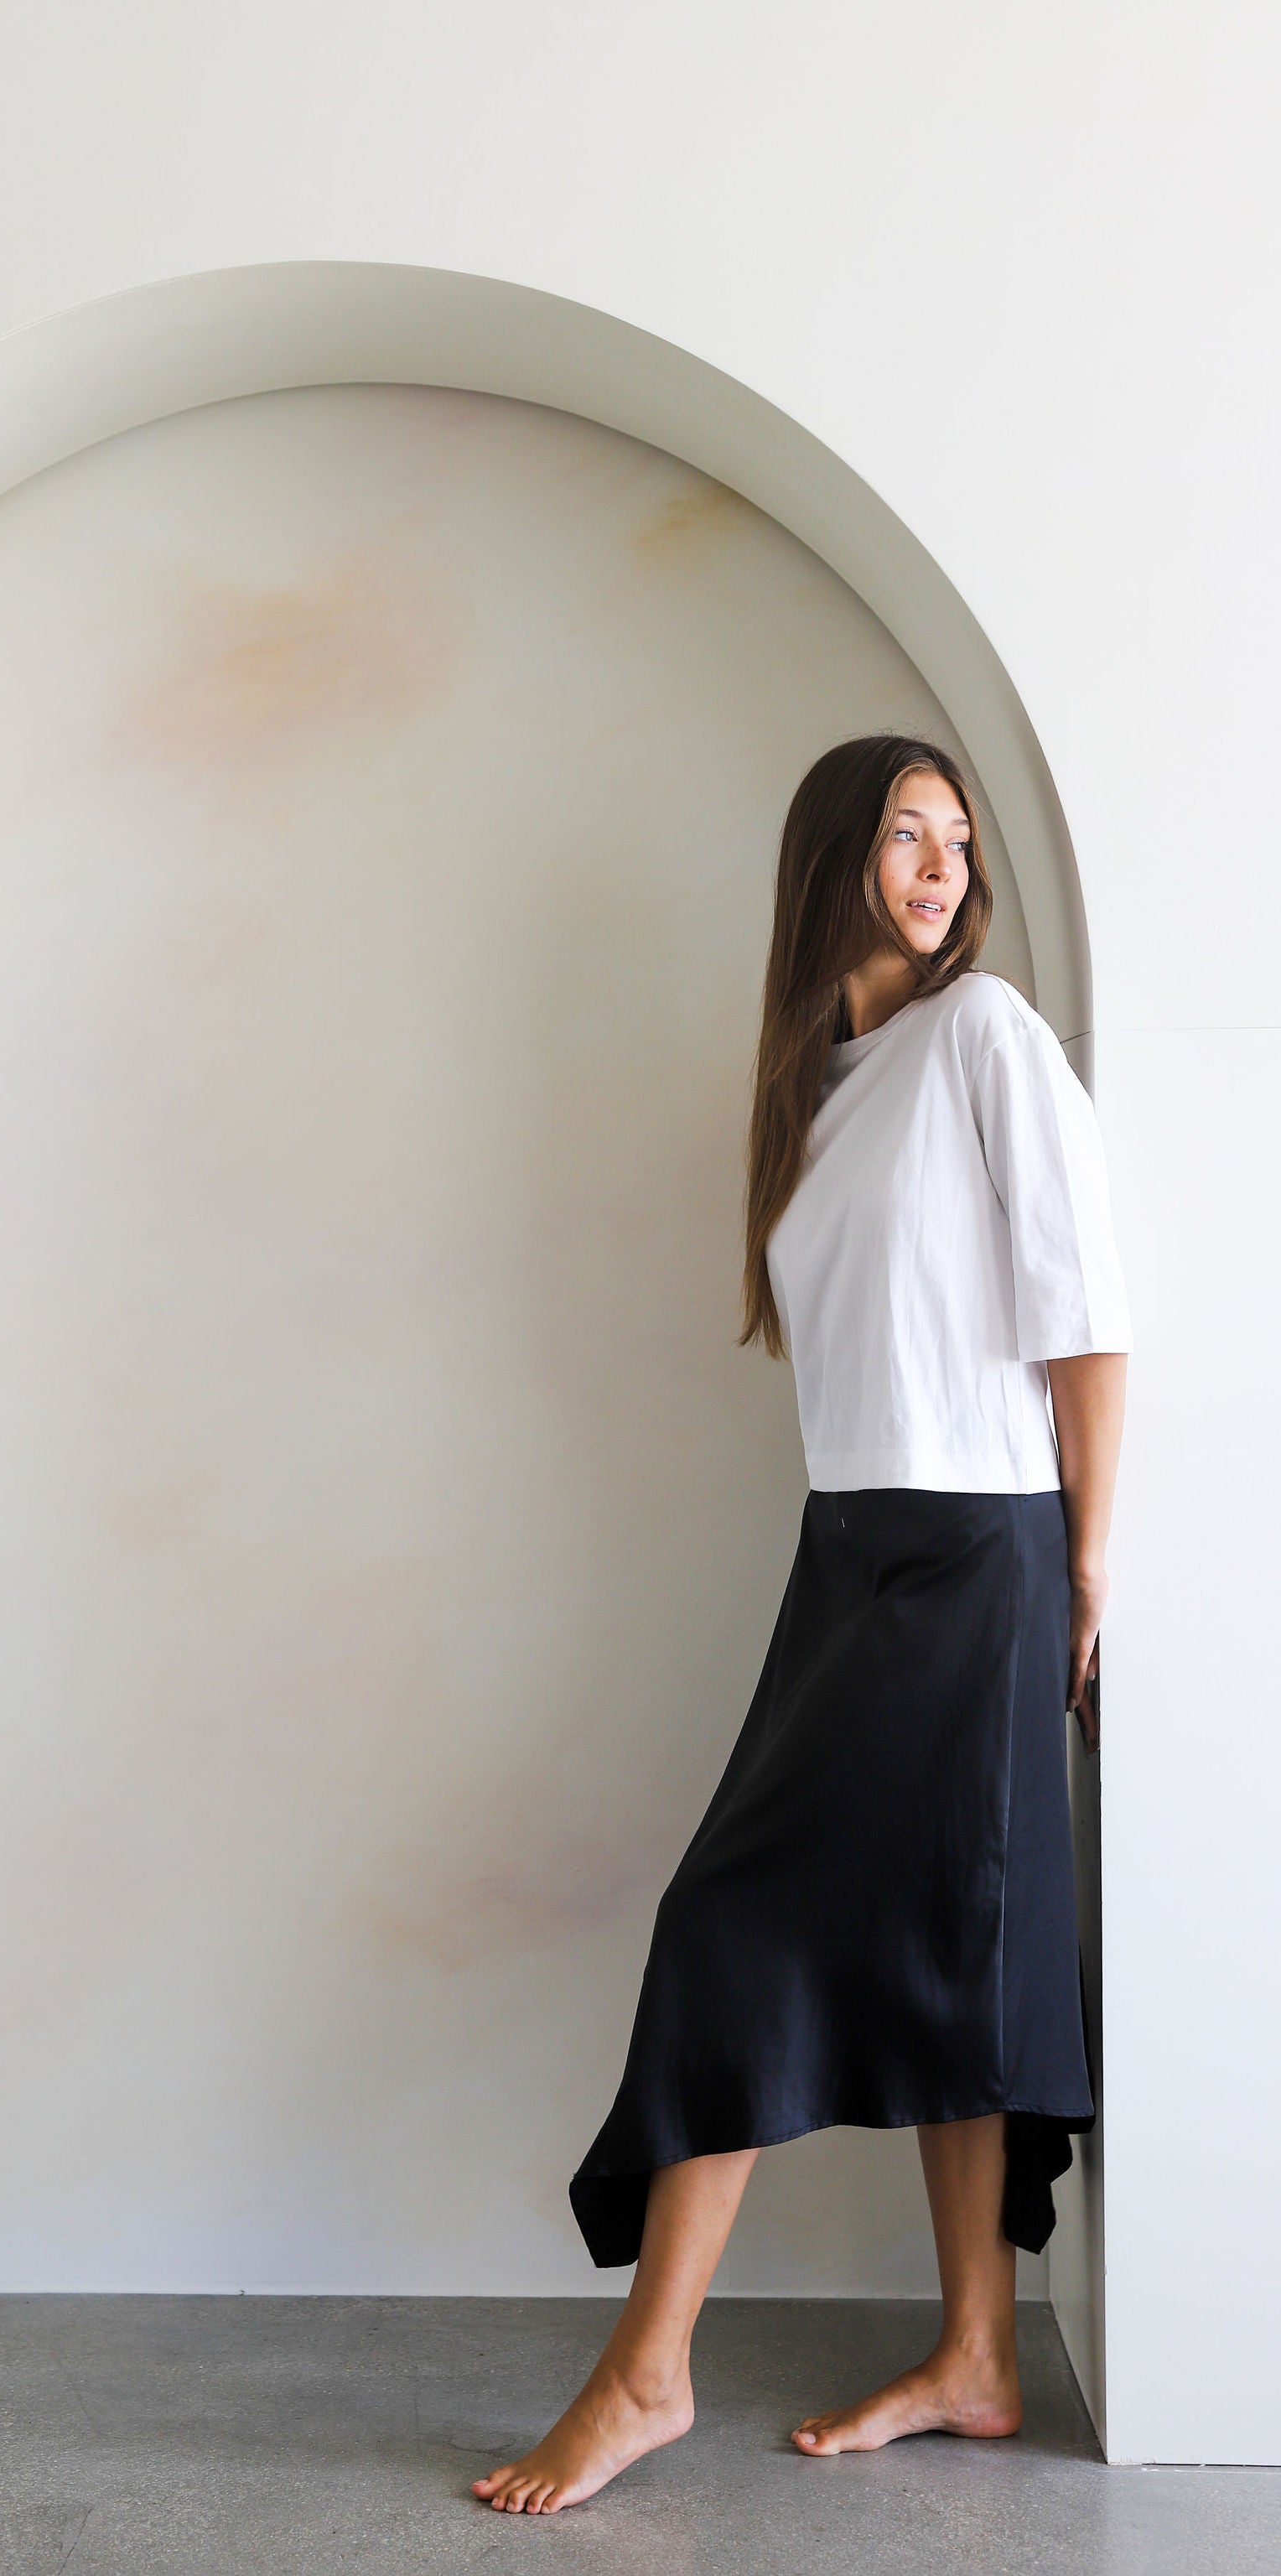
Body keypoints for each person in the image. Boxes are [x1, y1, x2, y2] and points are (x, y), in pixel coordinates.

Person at [474, 734, 1131, 2515]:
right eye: (907, 833)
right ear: (834, 854)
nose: (940, 866)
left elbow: (1085, 1313)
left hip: (976, 1549)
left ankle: (648, 2373)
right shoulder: (817, 1087)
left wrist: (1083, 1567)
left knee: (735, 1925)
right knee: (943, 1940)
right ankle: (977, 2357)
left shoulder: (985, 1036)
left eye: (957, 841)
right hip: (848, 1549)